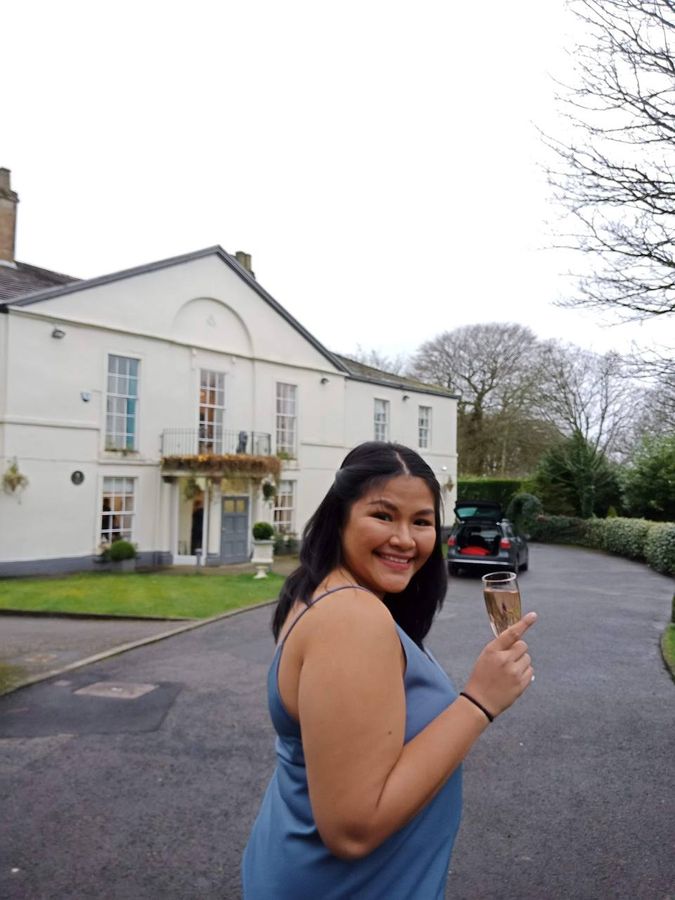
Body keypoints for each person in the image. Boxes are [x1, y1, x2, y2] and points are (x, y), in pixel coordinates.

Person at [242, 441, 536, 899]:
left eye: (421, 521)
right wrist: (480, 701)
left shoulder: (321, 591)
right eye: (383, 515)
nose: (404, 538)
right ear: (340, 516)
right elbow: (353, 830)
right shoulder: (352, 617)